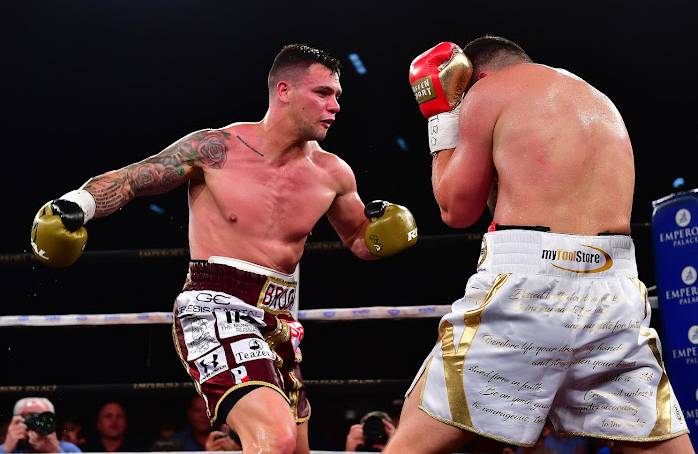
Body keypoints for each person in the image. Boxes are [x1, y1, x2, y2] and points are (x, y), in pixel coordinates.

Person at [30, 43, 418, 454]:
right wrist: (78, 205)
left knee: (295, 450)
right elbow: (131, 179)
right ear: (284, 91)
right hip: (215, 304)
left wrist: (385, 234)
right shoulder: (216, 150)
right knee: (276, 440)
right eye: (323, 93)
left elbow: (359, 240)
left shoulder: (333, 173)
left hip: (281, 320)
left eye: (337, 95)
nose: (335, 105)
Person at [383, 36, 695, 454]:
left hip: (529, 288)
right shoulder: (599, 102)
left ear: (479, 76)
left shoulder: (489, 91)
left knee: (412, 440)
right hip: (616, 293)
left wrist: (443, 113)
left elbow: (455, 209)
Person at [0, 397, 81, 453]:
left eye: (42, 418)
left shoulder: (69, 450)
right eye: (30, 417)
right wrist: (6, 450)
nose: (37, 423)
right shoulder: (6, 448)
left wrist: (54, 451)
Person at [80, 402, 147, 452]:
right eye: (108, 416)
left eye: (119, 416)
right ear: (98, 424)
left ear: (126, 423)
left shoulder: (140, 450)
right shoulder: (84, 450)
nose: (114, 420)